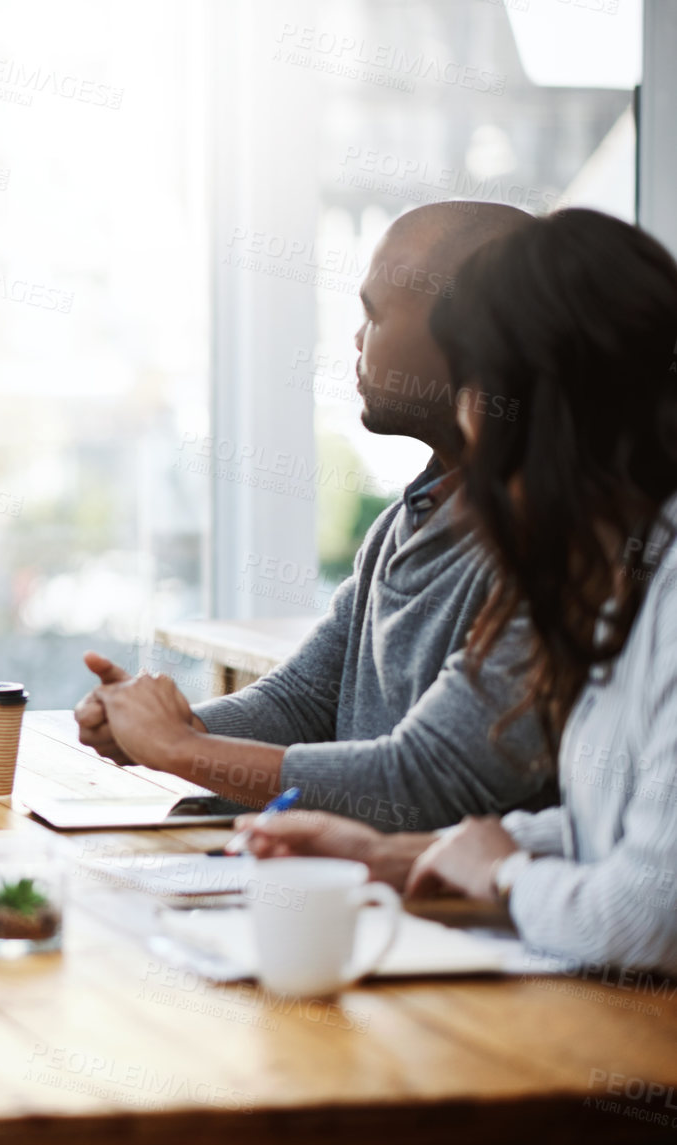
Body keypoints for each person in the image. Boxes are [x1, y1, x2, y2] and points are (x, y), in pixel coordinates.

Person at [234, 208, 677, 974]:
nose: (472, 419)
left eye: (478, 384)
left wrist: (503, 873)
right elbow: (610, 835)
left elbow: (647, 918)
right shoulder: (618, 574)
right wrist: (397, 854)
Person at [75, 200, 553, 831]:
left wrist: (183, 748)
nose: (357, 340)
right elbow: (305, 702)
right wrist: (158, 729)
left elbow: (422, 781)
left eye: (374, 315)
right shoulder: (401, 525)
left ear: (468, 340)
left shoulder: (551, 549)